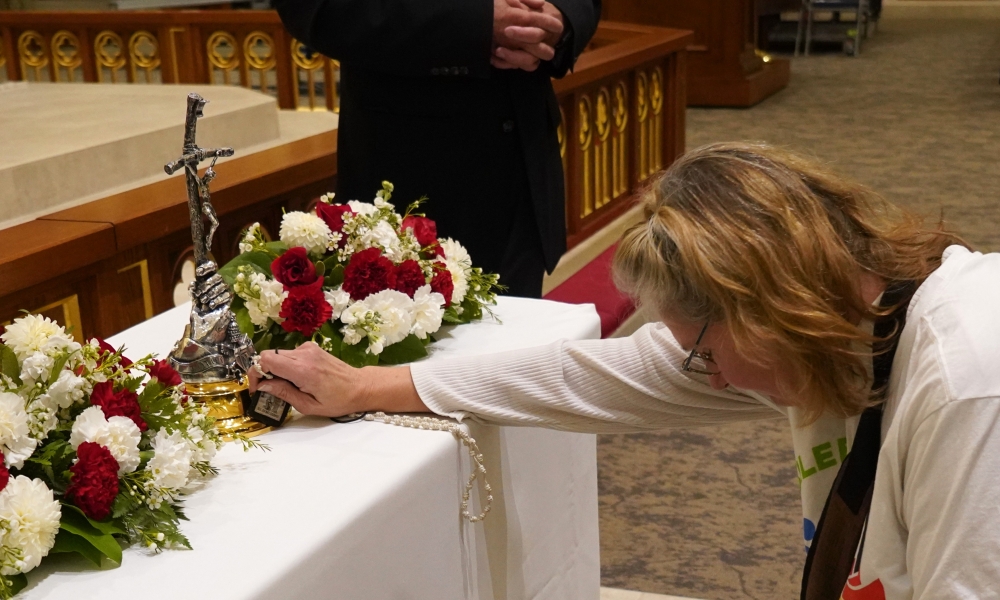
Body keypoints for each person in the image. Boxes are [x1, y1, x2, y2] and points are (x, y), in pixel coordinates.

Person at [249, 142, 1000, 599]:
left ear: (765, 305)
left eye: (703, 353)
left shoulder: (965, 382)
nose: (702, 377)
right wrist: (365, 388)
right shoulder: (847, 327)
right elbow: (588, 376)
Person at [273, 0, 602, 298]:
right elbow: (317, 8)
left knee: (519, 355)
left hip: (524, 171)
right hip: (411, 180)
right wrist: (477, 24)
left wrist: (560, 20)